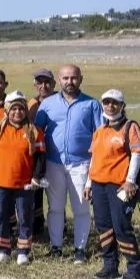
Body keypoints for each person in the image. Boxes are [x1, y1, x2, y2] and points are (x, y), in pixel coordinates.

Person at [34, 64, 103, 263]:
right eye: (65, 78)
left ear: (81, 79)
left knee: (81, 208)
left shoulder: (92, 104)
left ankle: (80, 249)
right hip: (53, 163)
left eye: (73, 78)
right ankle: (56, 247)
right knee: (55, 207)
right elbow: (37, 133)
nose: (69, 82)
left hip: (81, 164)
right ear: (59, 80)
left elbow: (100, 136)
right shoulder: (47, 104)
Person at [86, 89, 140, 279]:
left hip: (119, 186)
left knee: (121, 226)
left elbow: (137, 155)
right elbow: (94, 158)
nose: (110, 106)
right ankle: (110, 265)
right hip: (98, 185)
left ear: (122, 106)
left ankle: (135, 268)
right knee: (103, 225)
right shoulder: (99, 131)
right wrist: (88, 183)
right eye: (106, 102)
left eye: (115, 103)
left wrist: (130, 181)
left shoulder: (130, 127)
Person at [0, 92, 46, 265]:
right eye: (14, 109)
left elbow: (40, 157)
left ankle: (23, 251)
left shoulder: (34, 131)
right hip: (1, 182)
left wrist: (36, 177)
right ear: (7, 110)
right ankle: (3, 250)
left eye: (21, 109)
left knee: (25, 216)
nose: (18, 112)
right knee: (0, 214)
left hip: (25, 184)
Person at [27, 68, 56, 236]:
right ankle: (37, 227)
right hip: (36, 156)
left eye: (47, 82)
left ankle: (58, 228)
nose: (43, 86)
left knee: (56, 195)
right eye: (40, 82)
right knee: (35, 193)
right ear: (35, 84)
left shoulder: (60, 101)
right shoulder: (31, 104)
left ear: (54, 84)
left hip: (56, 157)